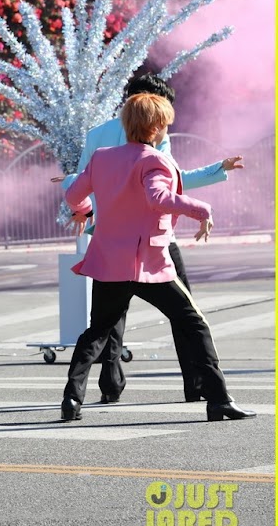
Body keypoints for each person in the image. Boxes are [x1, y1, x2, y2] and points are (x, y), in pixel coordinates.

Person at [60, 93, 255, 423]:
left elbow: (72, 194)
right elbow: (159, 197)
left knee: (97, 331)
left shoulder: (102, 157)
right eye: (164, 123)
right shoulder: (155, 160)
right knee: (195, 323)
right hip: (148, 262)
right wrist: (202, 210)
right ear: (156, 127)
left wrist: (85, 210)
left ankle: (71, 399)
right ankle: (218, 399)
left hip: (109, 262)